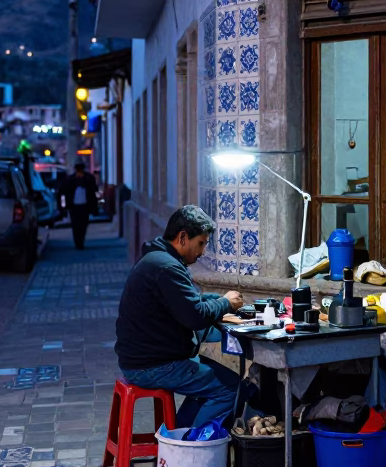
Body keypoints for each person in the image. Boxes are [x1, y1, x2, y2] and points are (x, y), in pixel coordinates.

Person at [115, 205, 245, 429]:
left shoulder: (158, 259)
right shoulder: (166, 267)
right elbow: (195, 316)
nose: (202, 252)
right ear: (183, 237)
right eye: (201, 243)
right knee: (230, 389)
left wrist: (215, 300)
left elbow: (187, 302)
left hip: (145, 359)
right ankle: (190, 448)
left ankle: (176, 440)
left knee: (212, 383)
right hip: (151, 366)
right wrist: (225, 303)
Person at [57, 162, 99, 250]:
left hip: (85, 206)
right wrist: (63, 207)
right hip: (74, 206)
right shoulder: (70, 179)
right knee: (76, 225)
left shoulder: (89, 179)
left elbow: (94, 192)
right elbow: (63, 193)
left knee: (83, 224)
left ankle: (81, 241)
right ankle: (78, 242)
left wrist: (94, 207)